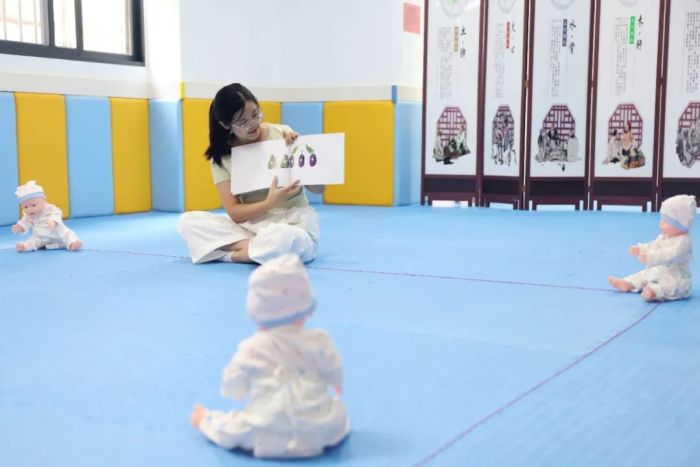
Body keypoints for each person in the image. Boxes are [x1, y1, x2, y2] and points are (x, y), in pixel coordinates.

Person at [190, 254, 350, 458]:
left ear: (256, 313)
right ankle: (313, 435)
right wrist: (337, 384)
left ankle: (204, 420)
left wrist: (236, 391)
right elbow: (332, 366)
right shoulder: (319, 340)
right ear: (308, 310)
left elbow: (234, 376)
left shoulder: (252, 348)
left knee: (235, 428)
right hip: (316, 427)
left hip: (267, 426)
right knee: (337, 415)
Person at [177, 83, 324, 264]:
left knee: (287, 238)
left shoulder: (282, 133)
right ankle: (258, 249)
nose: (253, 124)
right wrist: (269, 203)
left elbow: (319, 190)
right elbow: (234, 213)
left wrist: (303, 156)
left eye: (255, 114)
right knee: (188, 221)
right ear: (225, 124)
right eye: (243, 122)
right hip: (251, 226)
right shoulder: (221, 157)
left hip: (293, 222)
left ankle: (234, 255)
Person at [608, 195, 696, 301]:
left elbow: (670, 255)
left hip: (676, 275)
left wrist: (651, 257)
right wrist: (641, 249)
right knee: (645, 274)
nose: (661, 223)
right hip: (661, 270)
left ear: (681, 224)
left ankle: (654, 292)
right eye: (662, 219)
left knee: (672, 285)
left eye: (667, 221)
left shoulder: (683, 242)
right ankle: (628, 283)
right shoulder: (665, 236)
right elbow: (654, 245)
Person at [11, 180, 82, 252]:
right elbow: (25, 223)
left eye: (34, 205)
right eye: (26, 207)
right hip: (41, 237)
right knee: (33, 241)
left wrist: (53, 221)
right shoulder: (28, 215)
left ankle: (72, 243)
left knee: (68, 234)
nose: (30, 209)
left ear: (44, 200)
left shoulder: (50, 208)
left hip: (57, 233)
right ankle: (24, 246)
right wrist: (21, 227)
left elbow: (57, 213)